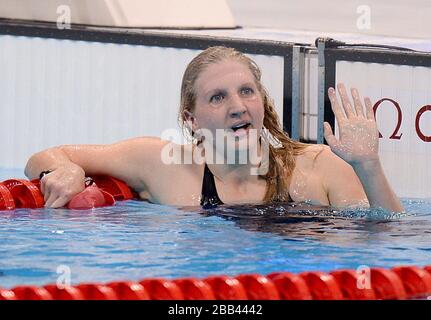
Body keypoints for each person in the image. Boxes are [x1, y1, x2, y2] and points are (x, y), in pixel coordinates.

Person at [24, 46, 404, 212]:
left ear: (260, 99)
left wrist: (368, 167)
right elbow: (44, 157)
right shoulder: (162, 164)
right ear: (190, 119)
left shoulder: (318, 167)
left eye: (246, 92)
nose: (238, 106)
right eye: (218, 98)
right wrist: (64, 169)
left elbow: (383, 238)